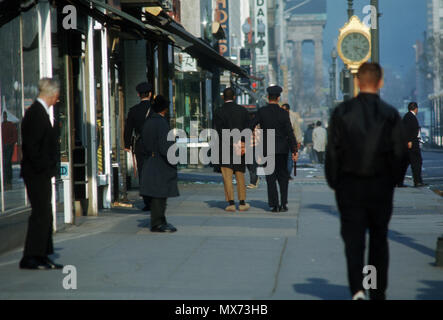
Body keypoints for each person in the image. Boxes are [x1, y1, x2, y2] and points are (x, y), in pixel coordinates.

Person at [325, 62, 406, 300]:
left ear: (358, 82)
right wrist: (393, 180)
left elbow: (332, 153)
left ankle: (358, 290)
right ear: (380, 82)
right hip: (380, 187)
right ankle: (376, 290)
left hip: (349, 187)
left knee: (354, 242)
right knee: (378, 240)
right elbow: (400, 154)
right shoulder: (390, 114)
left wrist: (335, 182)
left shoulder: (342, 113)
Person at [19, 78, 63, 270]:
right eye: (57, 95)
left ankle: (43, 253)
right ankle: (31, 255)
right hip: (36, 173)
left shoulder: (41, 113)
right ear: (51, 94)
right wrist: (44, 167)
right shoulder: (36, 114)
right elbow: (32, 147)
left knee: (45, 213)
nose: (57, 98)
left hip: (41, 172)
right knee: (40, 214)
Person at [252, 85, 298, 212]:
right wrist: (294, 150)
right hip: (282, 148)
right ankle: (283, 204)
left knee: (270, 178)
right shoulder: (284, 113)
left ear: (268, 97)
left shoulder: (262, 112)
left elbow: (251, 125)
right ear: (278, 98)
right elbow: (290, 132)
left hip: (268, 148)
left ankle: (274, 204)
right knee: (283, 177)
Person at [140, 95, 178, 233]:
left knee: (157, 193)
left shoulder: (148, 122)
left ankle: (161, 220)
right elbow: (165, 146)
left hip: (150, 160)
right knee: (160, 194)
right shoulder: (161, 123)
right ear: (164, 109)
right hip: (160, 163)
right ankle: (158, 222)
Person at [214, 88, 251, 212]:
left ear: (223, 97)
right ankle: (242, 202)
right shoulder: (242, 110)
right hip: (239, 145)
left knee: (227, 175)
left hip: (225, 146)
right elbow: (248, 128)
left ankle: (230, 203)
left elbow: (217, 131)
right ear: (234, 97)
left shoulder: (219, 111)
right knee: (240, 174)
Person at [124, 82, 153, 211]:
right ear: (151, 94)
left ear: (138, 95)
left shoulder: (133, 110)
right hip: (154, 145)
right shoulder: (156, 109)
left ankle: (147, 201)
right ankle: (155, 198)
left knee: (143, 172)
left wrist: (127, 145)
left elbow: (128, 129)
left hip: (140, 145)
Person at [398, 102, 426, 188]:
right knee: (417, 162)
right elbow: (407, 130)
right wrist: (409, 140)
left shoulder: (409, 116)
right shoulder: (409, 117)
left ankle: (400, 182)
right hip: (412, 144)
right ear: (416, 108)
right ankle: (417, 181)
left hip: (412, 143)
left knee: (407, 163)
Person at [281, 103, 302, 179]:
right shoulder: (278, 117)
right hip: (281, 141)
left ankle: (287, 174)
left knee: (290, 158)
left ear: (288, 110)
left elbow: (297, 130)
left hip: (290, 141)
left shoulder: (293, 118)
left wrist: (298, 141)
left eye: (285, 110)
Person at [2, 111, 18, 189]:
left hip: (7, 146)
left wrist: (11, 143)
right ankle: (7, 178)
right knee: (6, 162)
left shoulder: (7, 125)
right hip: (6, 145)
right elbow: (15, 135)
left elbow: (15, 135)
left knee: (6, 162)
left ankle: (7, 178)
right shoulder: (6, 125)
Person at [246, 111, 259, 189]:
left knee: (253, 165)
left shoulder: (257, 126)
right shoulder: (246, 125)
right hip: (247, 146)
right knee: (249, 164)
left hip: (255, 146)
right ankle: (255, 179)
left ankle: (253, 182)